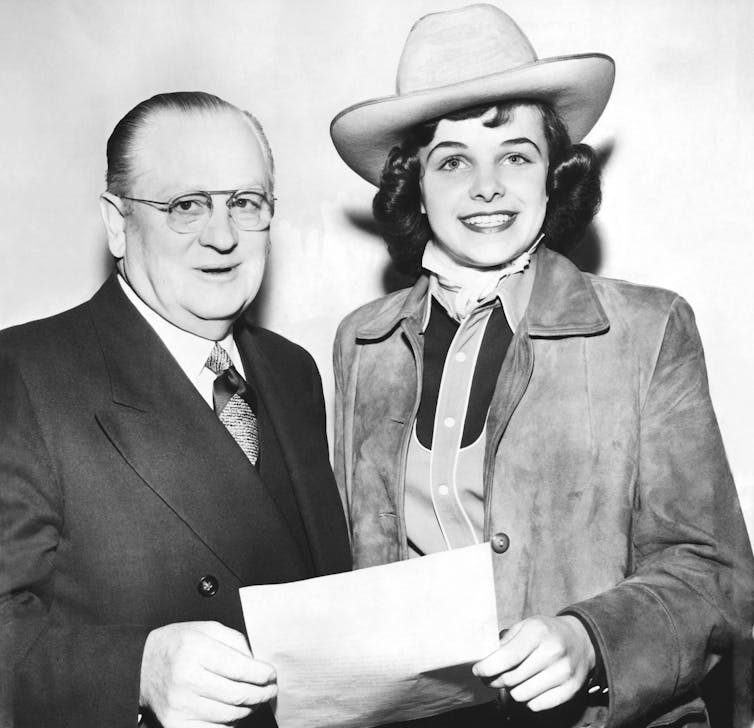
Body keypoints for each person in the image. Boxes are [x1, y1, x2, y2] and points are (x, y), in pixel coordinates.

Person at [329, 5, 754, 727]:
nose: (486, 186)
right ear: (414, 186)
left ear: (555, 174)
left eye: (516, 155)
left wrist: (589, 639)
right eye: (453, 160)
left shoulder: (648, 330)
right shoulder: (361, 342)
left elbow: (715, 577)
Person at [0, 91, 351, 728]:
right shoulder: (22, 375)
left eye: (245, 203)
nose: (222, 236)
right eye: (185, 206)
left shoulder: (293, 370)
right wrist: (135, 669)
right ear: (116, 223)